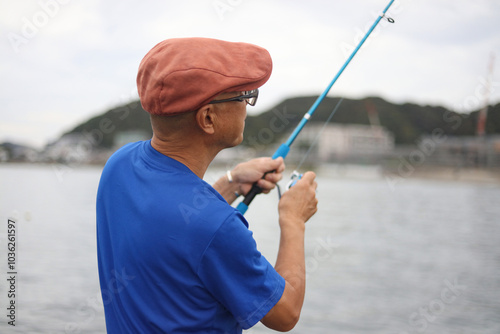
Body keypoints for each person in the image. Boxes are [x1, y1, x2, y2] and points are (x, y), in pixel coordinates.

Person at [96, 37, 318, 333]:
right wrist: (293, 220)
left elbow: (175, 226)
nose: (247, 104)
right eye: (243, 95)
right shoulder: (217, 227)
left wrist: (231, 182)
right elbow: (285, 313)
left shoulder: (118, 165)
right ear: (208, 118)